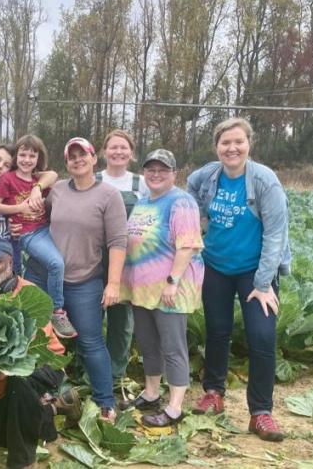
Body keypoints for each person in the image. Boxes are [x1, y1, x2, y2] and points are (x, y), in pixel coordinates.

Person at [187, 117, 291, 442]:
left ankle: (260, 412)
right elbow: (189, 193)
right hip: (216, 266)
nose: (232, 148)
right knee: (217, 332)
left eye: (238, 142)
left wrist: (263, 284)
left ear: (249, 144)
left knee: (262, 337)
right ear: (216, 147)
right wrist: (198, 225)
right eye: (225, 143)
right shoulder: (206, 176)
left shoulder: (265, 181)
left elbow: (276, 235)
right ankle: (214, 393)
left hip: (254, 271)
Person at [41, 137, 128, 423]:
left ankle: (106, 403)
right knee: (46, 344)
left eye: (83, 155)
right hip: (52, 281)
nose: (78, 160)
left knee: (91, 342)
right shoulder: (57, 191)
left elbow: (118, 241)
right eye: (71, 156)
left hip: (85, 281)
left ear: (94, 158)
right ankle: (50, 397)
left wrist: (113, 283)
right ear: (66, 163)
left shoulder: (108, 195)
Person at [0, 238, 80, 469]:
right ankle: (56, 406)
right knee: (2, 437)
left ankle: (23, 462)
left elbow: (34, 345)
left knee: (18, 384)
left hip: (44, 363)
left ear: (11, 262)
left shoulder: (29, 293)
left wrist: (5, 367)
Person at [120, 149, 204, 427]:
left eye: (162, 170)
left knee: (172, 346)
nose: (156, 175)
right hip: (142, 290)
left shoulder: (181, 202)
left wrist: (172, 282)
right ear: (144, 173)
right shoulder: (144, 201)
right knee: (148, 344)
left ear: (174, 174)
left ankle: (175, 407)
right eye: (151, 169)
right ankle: (151, 392)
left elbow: (188, 245)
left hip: (169, 289)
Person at [0, 134, 75, 338]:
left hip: (45, 229)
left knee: (37, 275)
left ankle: (39, 321)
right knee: (56, 264)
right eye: (22, 154)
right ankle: (57, 311)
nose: (27, 160)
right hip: (27, 233)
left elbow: (54, 174)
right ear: (15, 157)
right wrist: (21, 206)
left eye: (32, 155)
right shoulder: (8, 179)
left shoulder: (39, 179)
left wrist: (37, 188)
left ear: (39, 158)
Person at [97, 130, 150, 385]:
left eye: (123, 148)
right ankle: (89, 371)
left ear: (131, 153)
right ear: (104, 151)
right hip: (94, 257)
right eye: (113, 147)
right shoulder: (93, 179)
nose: (118, 152)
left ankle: (115, 373)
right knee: (89, 316)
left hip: (128, 259)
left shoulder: (141, 184)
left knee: (121, 319)